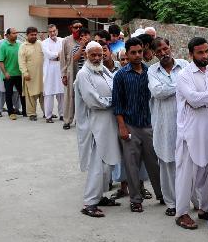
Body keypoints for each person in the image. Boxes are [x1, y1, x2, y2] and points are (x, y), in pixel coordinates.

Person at [112, 37, 163, 212]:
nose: (137, 55)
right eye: (133, 53)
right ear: (126, 53)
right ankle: (135, 199)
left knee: (154, 163)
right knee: (131, 165)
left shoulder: (151, 72)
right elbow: (117, 104)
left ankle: (163, 195)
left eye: (139, 52)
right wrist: (122, 127)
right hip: (130, 125)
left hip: (149, 125)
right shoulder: (120, 76)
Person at [173, 37, 208, 230]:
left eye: (206, 51)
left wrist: (203, 100)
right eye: (200, 52)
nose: (205, 55)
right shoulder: (184, 75)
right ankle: (181, 213)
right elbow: (192, 99)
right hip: (189, 132)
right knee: (186, 174)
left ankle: (205, 209)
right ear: (191, 54)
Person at [75, 41, 121, 218]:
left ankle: (100, 196)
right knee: (97, 164)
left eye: (99, 55)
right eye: (92, 55)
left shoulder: (103, 70)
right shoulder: (83, 74)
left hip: (107, 123)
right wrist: (115, 102)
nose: (96, 58)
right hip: (94, 125)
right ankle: (89, 203)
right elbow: (93, 100)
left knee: (106, 164)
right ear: (86, 55)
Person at [148, 37, 189, 216]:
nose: (164, 53)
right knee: (166, 163)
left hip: (186, 123)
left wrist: (173, 87)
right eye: (159, 51)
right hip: (164, 124)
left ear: (170, 47)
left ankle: (189, 200)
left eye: (165, 49)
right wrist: (181, 86)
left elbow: (192, 86)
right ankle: (171, 203)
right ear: (155, 54)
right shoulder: (152, 70)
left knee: (187, 162)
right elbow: (158, 92)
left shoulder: (185, 65)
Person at [60, 21, 84, 129]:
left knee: (83, 96)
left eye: (80, 27)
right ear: (71, 28)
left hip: (83, 72)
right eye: (76, 27)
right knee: (69, 96)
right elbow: (63, 59)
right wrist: (64, 74)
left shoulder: (85, 40)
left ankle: (80, 120)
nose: (78, 29)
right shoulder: (66, 40)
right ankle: (67, 120)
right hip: (71, 72)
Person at [0, 28, 25, 120]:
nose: (16, 34)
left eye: (16, 33)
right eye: (13, 33)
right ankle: (11, 112)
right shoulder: (3, 46)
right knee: (8, 94)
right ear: (8, 35)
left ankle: (25, 111)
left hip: (19, 74)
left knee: (22, 93)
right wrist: (5, 73)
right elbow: (0, 61)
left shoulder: (20, 44)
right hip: (8, 75)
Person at [18, 27, 44, 121]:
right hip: (30, 75)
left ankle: (47, 113)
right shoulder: (23, 46)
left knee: (43, 94)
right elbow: (21, 61)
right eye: (31, 35)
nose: (34, 36)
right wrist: (25, 73)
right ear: (27, 35)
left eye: (35, 35)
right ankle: (32, 114)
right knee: (31, 95)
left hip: (42, 75)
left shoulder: (40, 44)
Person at [41, 24, 65, 123]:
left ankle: (63, 114)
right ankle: (48, 116)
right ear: (48, 32)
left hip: (61, 68)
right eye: (50, 32)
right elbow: (49, 55)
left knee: (62, 93)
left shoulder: (63, 40)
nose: (52, 33)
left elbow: (65, 53)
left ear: (57, 31)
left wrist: (58, 56)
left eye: (54, 31)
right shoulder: (44, 43)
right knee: (49, 93)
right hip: (50, 70)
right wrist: (58, 55)